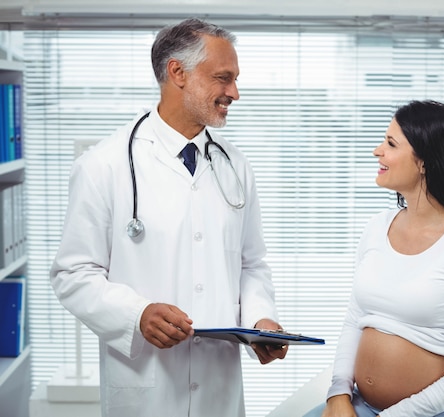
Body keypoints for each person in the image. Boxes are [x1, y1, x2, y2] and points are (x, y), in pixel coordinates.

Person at [50, 18, 287, 417]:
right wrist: (137, 314)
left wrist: (262, 318)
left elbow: (251, 264)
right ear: (177, 72)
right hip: (146, 389)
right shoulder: (104, 165)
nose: (235, 93)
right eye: (223, 78)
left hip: (218, 389)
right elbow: (73, 275)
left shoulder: (235, 166)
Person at [304, 100, 444, 417]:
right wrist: (338, 394)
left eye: (391, 143)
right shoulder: (376, 228)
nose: (377, 151)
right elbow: (356, 318)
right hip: (360, 405)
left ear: (424, 162)